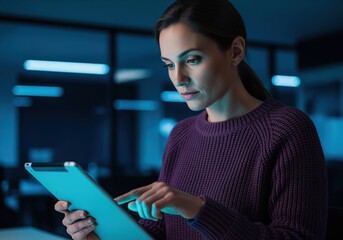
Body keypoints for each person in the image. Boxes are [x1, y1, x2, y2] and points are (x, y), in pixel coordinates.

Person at [55, 0, 328, 239]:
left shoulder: (287, 128)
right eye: (170, 65)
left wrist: (198, 209)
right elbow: (163, 231)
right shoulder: (181, 134)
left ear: (235, 51)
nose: (178, 79)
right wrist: (99, 235)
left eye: (193, 59)